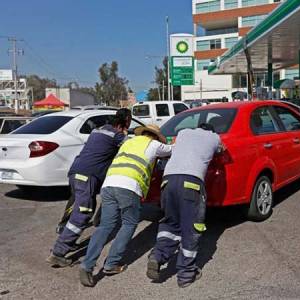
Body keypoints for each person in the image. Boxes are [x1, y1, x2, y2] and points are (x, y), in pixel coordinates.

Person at [79, 124, 172, 287]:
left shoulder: (128, 141)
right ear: (155, 136)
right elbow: (173, 150)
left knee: (105, 226)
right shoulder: (155, 144)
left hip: (109, 184)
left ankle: (87, 266)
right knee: (129, 223)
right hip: (129, 186)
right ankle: (111, 264)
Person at [46, 108, 132, 267]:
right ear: (127, 121)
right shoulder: (117, 135)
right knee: (82, 213)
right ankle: (58, 252)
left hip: (75, 172)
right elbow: (131, 147)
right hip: (88, 176)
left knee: (79, 208)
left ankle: (67, 238)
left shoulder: (99, 130)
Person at [147, 123, 222, 288]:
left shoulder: (182, 132)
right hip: (191, 183)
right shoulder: (214, 137)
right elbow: (221, 151)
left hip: (167, 182)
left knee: (169, 223)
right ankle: (186, 274)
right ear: (210, 130)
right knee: (191, 227)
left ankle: (157, 256)